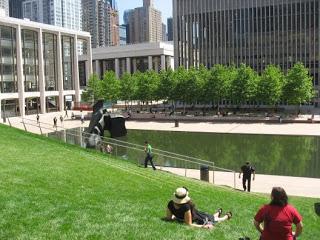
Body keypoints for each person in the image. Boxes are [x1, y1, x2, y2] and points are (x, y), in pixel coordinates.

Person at [165, 187, 232, 229]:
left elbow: (169, 218)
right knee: (213, 219)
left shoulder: (171, 203)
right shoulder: (186, 206)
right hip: (196, 217)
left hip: (196, 215)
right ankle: (223, 216)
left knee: (212, 218)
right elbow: (189, 224)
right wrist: (203, 227)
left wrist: (175, 217)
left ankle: (221, 215)